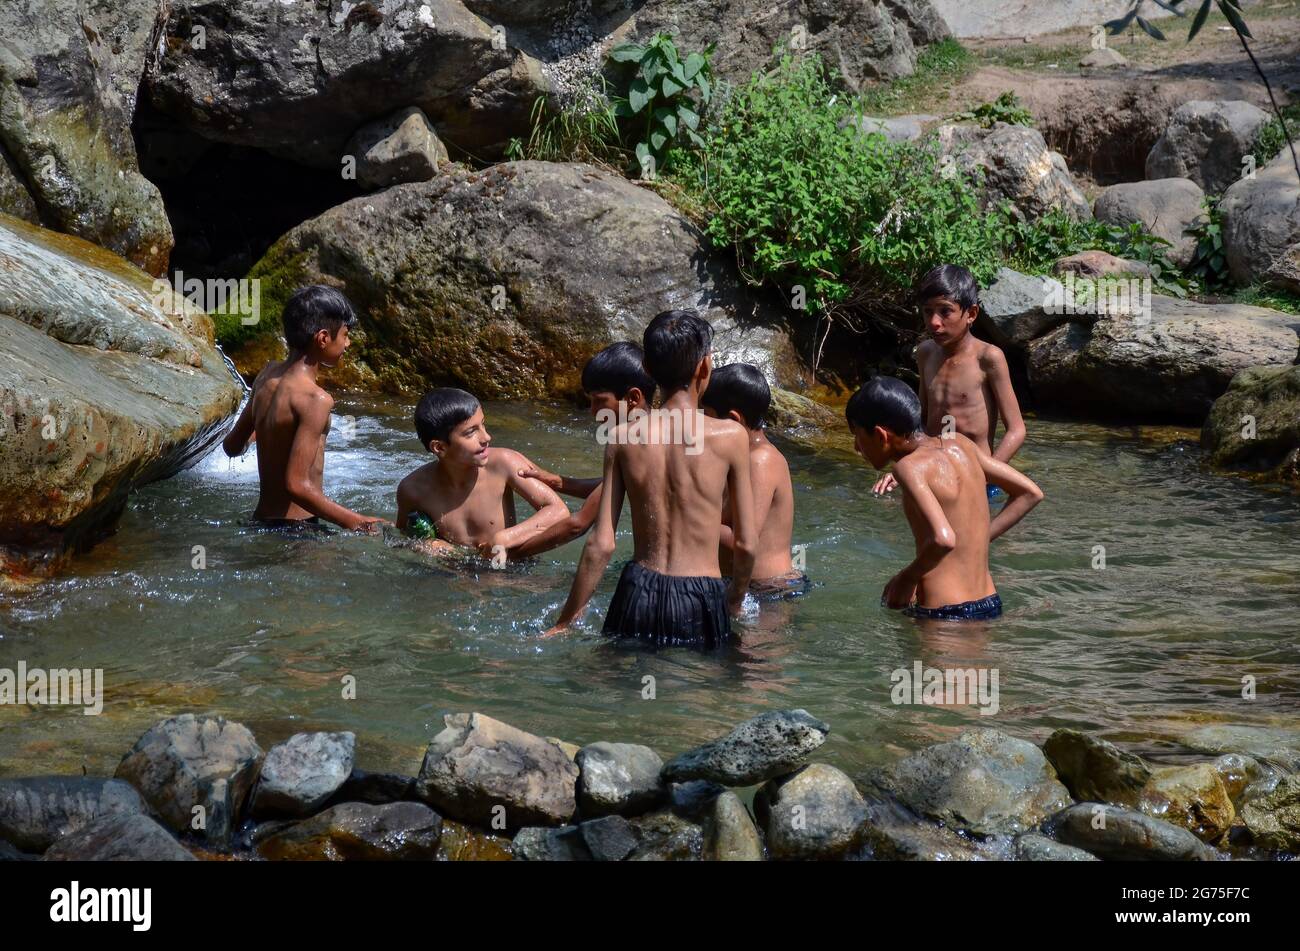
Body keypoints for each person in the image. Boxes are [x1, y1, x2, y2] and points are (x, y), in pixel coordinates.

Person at [545, 310, 757, 648]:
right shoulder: (731, 437)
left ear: (646, 369)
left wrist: (565, 622)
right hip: (700, 595)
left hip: (637, 591)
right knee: (703, 694)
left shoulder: (624, 438)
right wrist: (733, 600)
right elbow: (746, 544)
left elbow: (601, 544)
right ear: (705, 366)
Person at [847, 376, 1043, 621]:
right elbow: (1030, 493)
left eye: (856, 436)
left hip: (943, 612)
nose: (856, 447)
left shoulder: (908, 468)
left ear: (880, 435)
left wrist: (906, 578)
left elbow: (944, 539)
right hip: (989, 603)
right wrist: (980, 539)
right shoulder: (961, 444)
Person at [222, 285, 385, 532]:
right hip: (298, 531)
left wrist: (270, 436)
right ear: (323, 338)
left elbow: (232, 446)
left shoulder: (267, 376)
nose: (348, 343)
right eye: (345, 334)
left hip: (260, 522)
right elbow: (296, 485)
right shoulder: (316, 400)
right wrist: (356, 522)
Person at [875, 264, 1026, 499]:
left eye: (945, 312)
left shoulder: (988, 358)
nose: (934, 322)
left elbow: (1016, 430)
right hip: (935, 472)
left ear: (971, 314)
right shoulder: (925, 353)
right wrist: (905, 468)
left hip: (980, 478)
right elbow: (922, 422)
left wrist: (987, 473)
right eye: (927, 312)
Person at [511, 342, 656, 558]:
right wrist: (554, 481)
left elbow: (577, 525)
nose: (593, 411)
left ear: (633, 398)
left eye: (599, 401)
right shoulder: (664, 430)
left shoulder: (631, 441)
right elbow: (613, 485)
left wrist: (507, 555)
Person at [395, 388, 568, 560]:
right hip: (452, 572)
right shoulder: (413, 490)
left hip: (509, 569)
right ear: (440, 447)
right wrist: (428, 544)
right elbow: (403, 537)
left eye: (483, 424)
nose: (486, 437)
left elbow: (559, 511)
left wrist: (503, 538)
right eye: (471, 432)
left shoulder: (504, 463)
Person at [699, 363, 807, 599]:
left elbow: (743, 541)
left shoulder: (761, 461)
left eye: (706, 415)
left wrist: (689, 514)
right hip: (741, 586)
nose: (702, 426)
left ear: (733, 419)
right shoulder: (735, 458)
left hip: (769, 591)